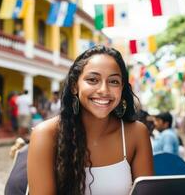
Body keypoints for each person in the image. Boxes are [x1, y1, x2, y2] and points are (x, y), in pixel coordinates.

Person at [27, 45, 153, 194]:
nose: (104, 90)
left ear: (122, 88)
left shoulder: (136, 133)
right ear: (75, 86)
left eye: (113, 82)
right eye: (93, 80)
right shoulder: (46, 134)